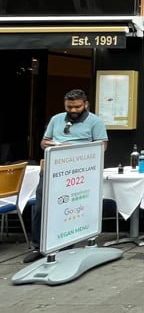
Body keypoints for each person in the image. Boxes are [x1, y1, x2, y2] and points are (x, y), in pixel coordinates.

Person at [25, 89, 109, 263]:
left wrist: (73, 148)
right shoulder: (56, 119)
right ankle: (38, 246)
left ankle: (65, 244)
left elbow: (102, 146)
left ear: (86, 104)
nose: (73, 110)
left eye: (77, 106)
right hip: (51, 169)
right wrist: (49, 144)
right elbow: (43, 141)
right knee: (41, 207)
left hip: (78, 172)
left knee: (69, 206)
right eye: (69, 107)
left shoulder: (95, 122)